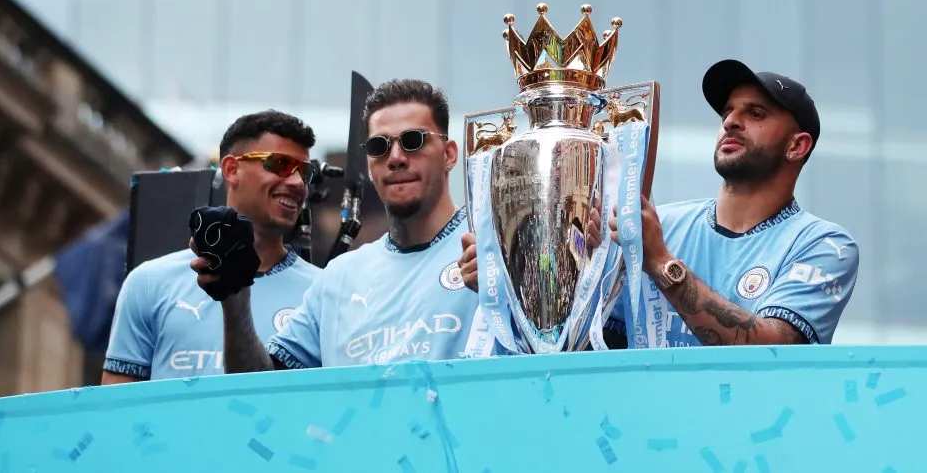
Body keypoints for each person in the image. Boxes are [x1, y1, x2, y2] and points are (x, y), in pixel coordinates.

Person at [459, 59, 860, 348]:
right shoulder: (656, 223)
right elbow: (586, 344)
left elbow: (775, 349)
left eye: (755, 113)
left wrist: (660, 262)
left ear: (797, 145)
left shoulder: (824, 246)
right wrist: (519, 284)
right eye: (727, 113)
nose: (731, 122)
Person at [191, 78, 496, 371]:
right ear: (369, 165)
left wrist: (504, 298)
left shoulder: (492, 249)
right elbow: (262, 389)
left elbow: (541, 357)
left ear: (450, 154)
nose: (396, 157)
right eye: (379, 146)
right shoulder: (338, 278)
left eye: (413, 140)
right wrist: (235, 301)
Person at [101, 110, 322, 383]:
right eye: (280, 165)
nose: (297, 183)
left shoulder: (323, 291)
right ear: (231, 169)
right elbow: (117, 409)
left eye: (304, 172)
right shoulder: (149, 282)